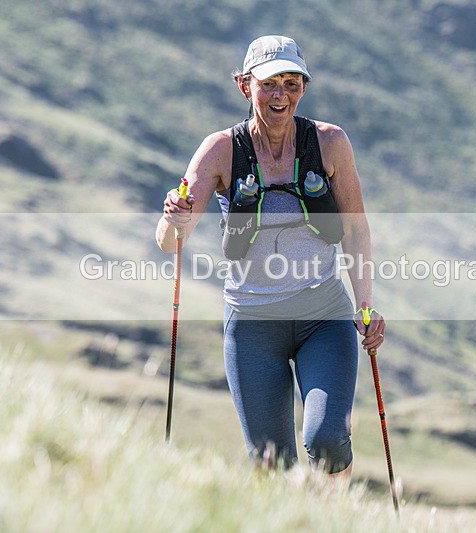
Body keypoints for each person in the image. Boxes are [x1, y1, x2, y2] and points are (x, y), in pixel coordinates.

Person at [156, 35, 385, 481]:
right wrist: (174, 217)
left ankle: (333, 517)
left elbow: (355, 228)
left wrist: (366, 305)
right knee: (272, 467)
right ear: (245, 86)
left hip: (325, 318)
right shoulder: (221, 150)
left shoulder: (330, 143)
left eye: (291, 82)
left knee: (327, 441)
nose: (281, 94)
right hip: (252, 326)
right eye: (268, 83)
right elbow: (169, 240)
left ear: (303, 87)